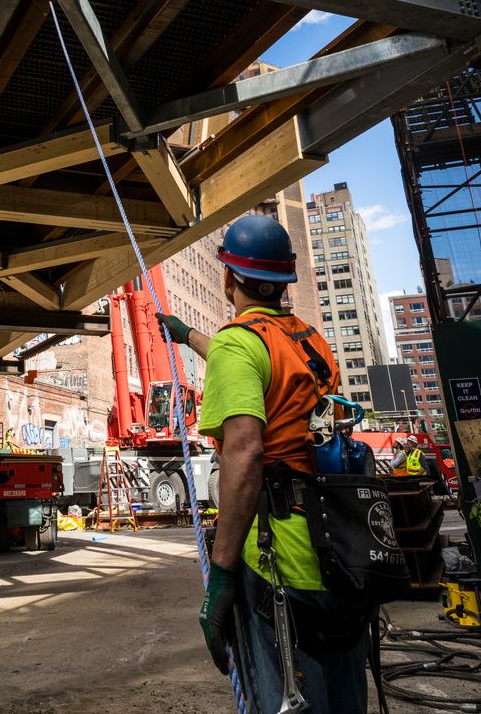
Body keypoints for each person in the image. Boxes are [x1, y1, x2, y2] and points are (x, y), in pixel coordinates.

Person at [158, 214, 372, 714]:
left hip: (279, 563)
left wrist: (224, 573)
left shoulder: (240, 343)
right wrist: (189, 334)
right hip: (339, 553)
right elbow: (256, 361)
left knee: (285, 699)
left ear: (227, 277)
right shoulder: (310, 343)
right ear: (284, 281)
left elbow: (246, 450)